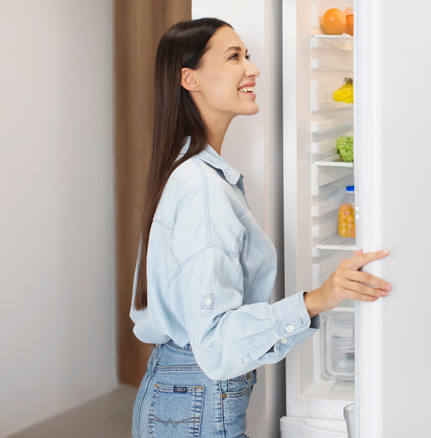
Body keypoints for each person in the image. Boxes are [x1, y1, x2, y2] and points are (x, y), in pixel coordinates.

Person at [129, 18, 390, 438]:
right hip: (196, 403)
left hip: (182, 397)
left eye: (247, 55)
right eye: (235, 57)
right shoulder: (201, 190)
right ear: (189, 78)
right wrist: (316, 299)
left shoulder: (187, 171)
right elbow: (215, 345)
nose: (253, 68)